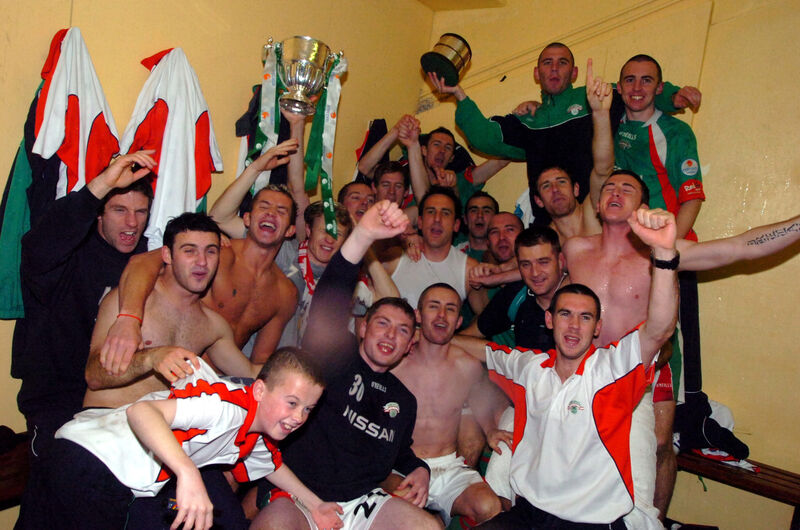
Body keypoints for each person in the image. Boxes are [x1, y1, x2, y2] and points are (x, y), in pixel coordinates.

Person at [564, 170, 800, 523]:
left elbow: (740, 248)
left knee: (657, 450)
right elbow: (534, 275)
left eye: (627, 188)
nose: (615, 191)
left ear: (642, 207)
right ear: (598, 205)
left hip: (641, 375)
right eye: (609, 188)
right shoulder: (574, 249)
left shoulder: (664, 250)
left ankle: (653, 518)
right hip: (586, 377)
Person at [472, 207, 681, 529]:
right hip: (530, 512)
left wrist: (665, 254)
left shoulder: (613, 369)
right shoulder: (530, 366)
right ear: (550, 320)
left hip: (588, 519)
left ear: (598, 327)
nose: (573, 326)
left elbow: (659, 330)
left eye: (585, 318)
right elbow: (482, 350)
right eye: (565, 315)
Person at [251, 201, 442, 530]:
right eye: (382, 324)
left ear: (411, 344)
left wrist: (420, 468)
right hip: (300, 494)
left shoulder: (404, 401)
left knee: (428, 527)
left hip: (360, 501)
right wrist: (364, 235)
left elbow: (397, 452)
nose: (390, 335)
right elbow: (331, 297)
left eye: (402, 330)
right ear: (363, 328)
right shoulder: (332, 356)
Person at [11, 151, 155, 529]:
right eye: (119, 210)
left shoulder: (144, 262)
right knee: (52, 503)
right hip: (60, 403)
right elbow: (37, 247)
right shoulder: (67, 255)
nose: (131, 223)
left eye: (140, 212)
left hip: (117, 405)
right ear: (98, 214)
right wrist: (102, 183)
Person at [47, 348, 343, 530]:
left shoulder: (260, 433)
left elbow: (271, 466)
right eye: (292, 403)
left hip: (124, 482)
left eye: (308, 409)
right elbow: (142, 412)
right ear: (260, 390)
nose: (299, 417)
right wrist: (187, 472)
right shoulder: (224, 406)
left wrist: (316, 505)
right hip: (87, 457)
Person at [429, 43, 700, 224]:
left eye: (562, 62)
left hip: (598, 223)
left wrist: (674, 98)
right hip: (549, 232)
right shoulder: (528, 120)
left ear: (575, 72)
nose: (555, 68)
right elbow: (485, 137)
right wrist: (458, 95)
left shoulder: (594, 95)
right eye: (547, 63)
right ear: (537, 73)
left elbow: (638, 92)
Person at [102, 143, 300, 365]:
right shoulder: (216, 254)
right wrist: (129, 318)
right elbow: (142, 262)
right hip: (171, 373)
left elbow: (261, 359)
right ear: (246, 218)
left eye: (281, 211)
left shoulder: (285, 293)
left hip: (220, 384)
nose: (272, 213)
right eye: (264, 207)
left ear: (291, 230)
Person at [83, 212, 264, 410]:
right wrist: (151, 358)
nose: (202, 261)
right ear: (167, 255)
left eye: (210, 252)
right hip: (103, 422)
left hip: (160, 430)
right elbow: (94, 376)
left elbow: (250, 373)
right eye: (189, 251)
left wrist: (298, 369)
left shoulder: (213, 325)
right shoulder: (129, 301)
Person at [390, 284, 502, 526]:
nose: (442, 315)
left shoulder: (469, 366)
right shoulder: (394, 365)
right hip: (401, 467)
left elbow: (480, 401)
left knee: (490, 506)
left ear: (459, 320)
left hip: (448, 467)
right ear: (418, 315)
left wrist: (491, 430)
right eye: (434, 307)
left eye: (450, 309)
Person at [387, 186, 487, 313]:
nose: (437, 219)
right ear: (420, 222)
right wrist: (401, 240)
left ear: (456, 225)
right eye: (431, 212)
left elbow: (485, 321)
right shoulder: (395, 257)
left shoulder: (469, 270)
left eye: (445, 213)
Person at [454, 191, 498, 261]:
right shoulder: (453, 250)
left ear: (496, 219)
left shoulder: (505, 252)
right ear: (465, 219)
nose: (480, 215)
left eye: (486, 211)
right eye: (474, 210)